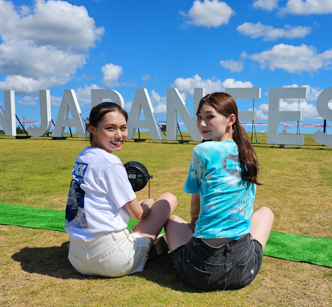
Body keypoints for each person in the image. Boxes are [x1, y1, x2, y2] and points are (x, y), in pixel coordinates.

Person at [164, 92, 274, 291]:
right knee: (266, 212)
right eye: (199, 117)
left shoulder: (202, 150)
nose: (202, 123)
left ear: (230, 119)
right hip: (243, 270)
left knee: (171, 221)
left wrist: (193, 221)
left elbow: (195, 201)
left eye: (209, 116)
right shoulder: (246, 154)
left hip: (200, 271)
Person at [65, 102, 177, 277]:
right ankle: (147, 250)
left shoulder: (83, 156)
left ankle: (142, 248)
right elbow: (137, 214)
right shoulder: (111, 162)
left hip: (77, 257)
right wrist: (147, 204)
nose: (119, 135)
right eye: (110, 128)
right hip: (111, 259)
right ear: (92, 129)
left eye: (123, 128)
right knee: (168, 198)